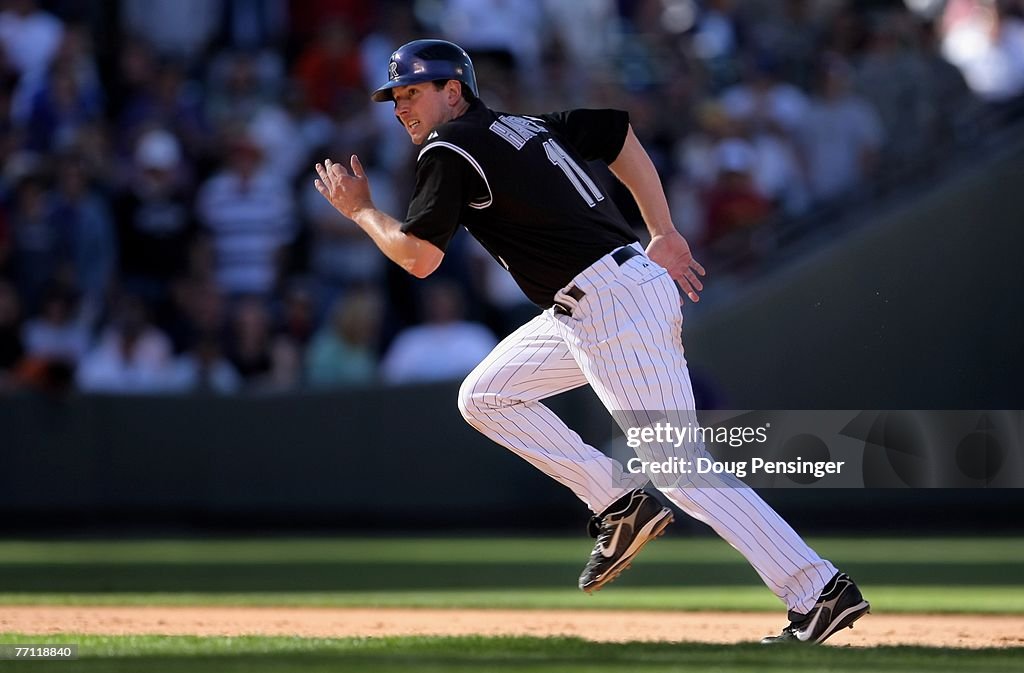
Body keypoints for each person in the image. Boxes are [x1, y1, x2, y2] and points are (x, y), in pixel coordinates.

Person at [314, 39, 869, 645]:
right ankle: (621, 504)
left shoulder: (450, 147)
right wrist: (662, 230)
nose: (401, 107)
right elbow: (617, 135)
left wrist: (362, 211)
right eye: (395, 97)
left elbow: (418, 258)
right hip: (592, 302)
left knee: (681, 472)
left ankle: (818, 590)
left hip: (610, 303)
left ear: (454, 91)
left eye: (413, 91)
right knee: (485, 395)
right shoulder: (523, 126)